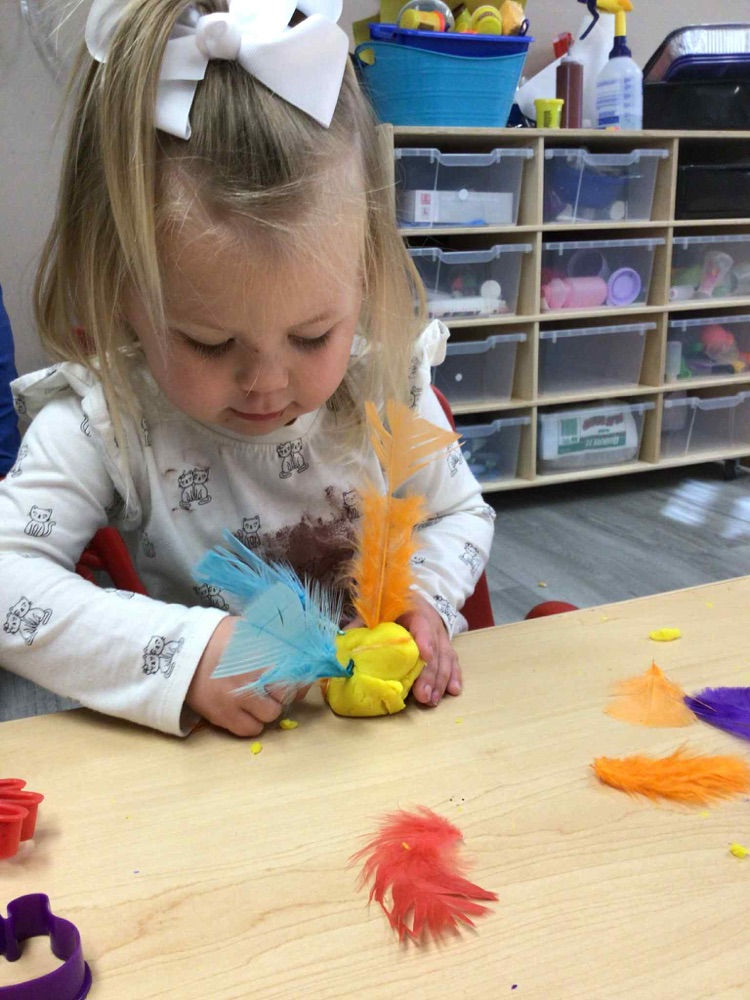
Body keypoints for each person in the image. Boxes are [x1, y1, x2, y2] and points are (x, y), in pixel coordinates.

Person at [0, 0, 494, 737]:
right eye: (206, 342)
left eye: (312, 334)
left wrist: (424, 599)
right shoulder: (106, 422)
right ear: (119, 295)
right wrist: (188, 655)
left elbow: (457, 511)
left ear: (365, 278)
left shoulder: (384, 386)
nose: (267, 381)